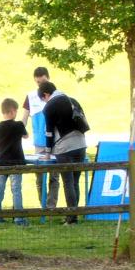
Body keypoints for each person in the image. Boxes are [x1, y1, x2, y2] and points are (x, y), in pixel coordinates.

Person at [37, 80, 88, 224]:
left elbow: (49, 133)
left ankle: (71, 219)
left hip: (65, 148)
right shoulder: (72, 100)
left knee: (68, 182)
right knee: (75, 182)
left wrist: (47, 152)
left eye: (43, 99)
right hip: (81, 144)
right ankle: (74, 215)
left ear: (46, 95)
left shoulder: (49, 107)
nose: (44, 102)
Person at [0, 98, 28, 224]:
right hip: (16, 162)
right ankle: (19, 217)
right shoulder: (18, 125)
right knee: (16, 189)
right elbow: (26, 136)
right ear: (12, 111)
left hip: (1, 161)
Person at [23, 66, 54, 207]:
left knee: (54, 176)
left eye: (43, 81)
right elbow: (24, 117)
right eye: (38, 83)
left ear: (48, 78)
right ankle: (43, 206)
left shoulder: (56, 94)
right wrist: (19, 131)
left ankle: (51, 207)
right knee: (39, 176)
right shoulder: (30, 96)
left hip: (55, 142)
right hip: (39, 143)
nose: (41, 85)